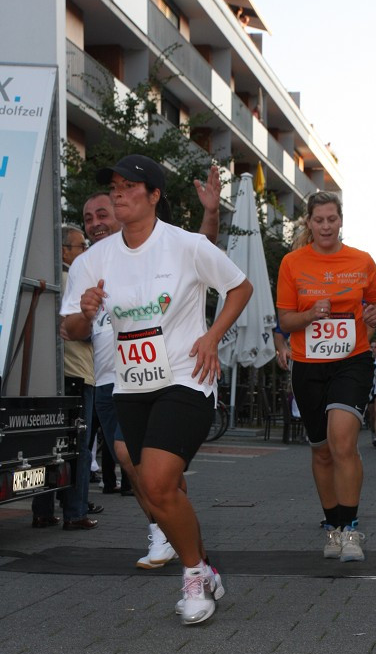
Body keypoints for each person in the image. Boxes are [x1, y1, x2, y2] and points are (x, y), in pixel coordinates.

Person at [66, 154, 253, 624]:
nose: (119, 194)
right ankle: (206, 566)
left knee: (154, 481)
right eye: (114, 187)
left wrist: (211, 337)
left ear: (154, 196)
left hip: (187, 377)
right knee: (159, 491)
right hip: (130, 386)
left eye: (130, 186)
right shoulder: (93, 260)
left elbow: (240, 287)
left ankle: (193, 574)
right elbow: (69, 328)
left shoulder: (185, 245)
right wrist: (85, 313)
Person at [277, 192, 376, 562]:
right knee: (322, 450)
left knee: (343, 442)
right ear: (308, 223)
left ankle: (352, 530)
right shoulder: (292, 263)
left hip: (352, 361)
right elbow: (285, 321)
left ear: (341, 221)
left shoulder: (361, 260)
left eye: (332, 219)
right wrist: (309, 315)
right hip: (308, 364)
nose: (326, 226)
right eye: (319, 220)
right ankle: (333, 527)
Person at [32, 225, 102, 530]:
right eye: (80, 247)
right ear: (63, 251)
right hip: (77, 375)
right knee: (79, 447)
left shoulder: (45, 285)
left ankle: (43, 510)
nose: (85, 252)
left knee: (45, 446)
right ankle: (76, 513)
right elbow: (88, 331)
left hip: (49, 374)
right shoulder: (72, 282)